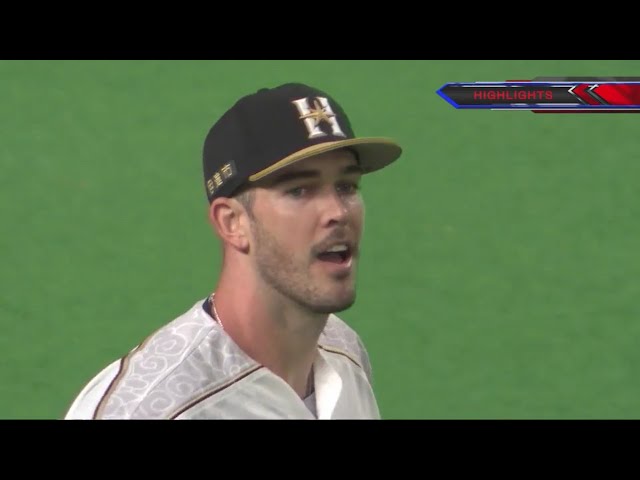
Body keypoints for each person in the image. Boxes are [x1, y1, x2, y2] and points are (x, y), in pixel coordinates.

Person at [64, 82, 403, 419]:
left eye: (347, 186)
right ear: (232, 223)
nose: (338, 212)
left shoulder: (344, 351)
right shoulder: (150, 409)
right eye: (299, 190)